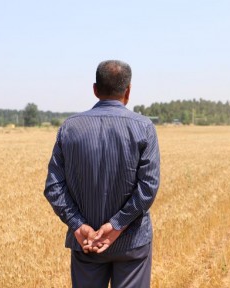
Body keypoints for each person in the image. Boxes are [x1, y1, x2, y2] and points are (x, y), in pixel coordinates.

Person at [44, 60, 160, 288]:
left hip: (86, 242)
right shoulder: (144, 127)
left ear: (95, 90)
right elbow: (148, 188)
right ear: (128, 91)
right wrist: (117, 225)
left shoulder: (70, 128)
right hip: (132, 242)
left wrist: (78, 225)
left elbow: (53, 186)